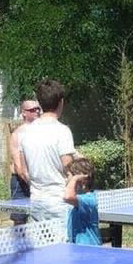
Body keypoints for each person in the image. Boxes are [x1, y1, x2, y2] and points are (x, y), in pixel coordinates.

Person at [19, 80, 76, 222]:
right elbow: (69, 169)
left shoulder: (26, 132)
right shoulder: (62, 131)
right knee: (65, 244)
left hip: (36, 202)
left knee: (43, 245)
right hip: (59, 202)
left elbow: (23, 170)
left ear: (39, 103)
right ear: (61, 102)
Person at [8, 99, 41, 225]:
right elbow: (19, 166)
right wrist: (32, 184)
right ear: (24, 113)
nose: (37, 111)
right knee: (19, 219)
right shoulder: (17, 134)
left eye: (38, 108)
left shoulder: (44, 131)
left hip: (38, 179)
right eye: (32, 110)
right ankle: (18, 243)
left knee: (42, 217)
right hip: (20, 181)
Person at [63, 157, 101, 246]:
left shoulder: (89, 199)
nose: (66, 180)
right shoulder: (79, 198)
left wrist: (74, 179)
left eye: (68, 176)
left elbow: (68, 197)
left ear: (82, 179)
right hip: (78, 248)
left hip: (90, 249)